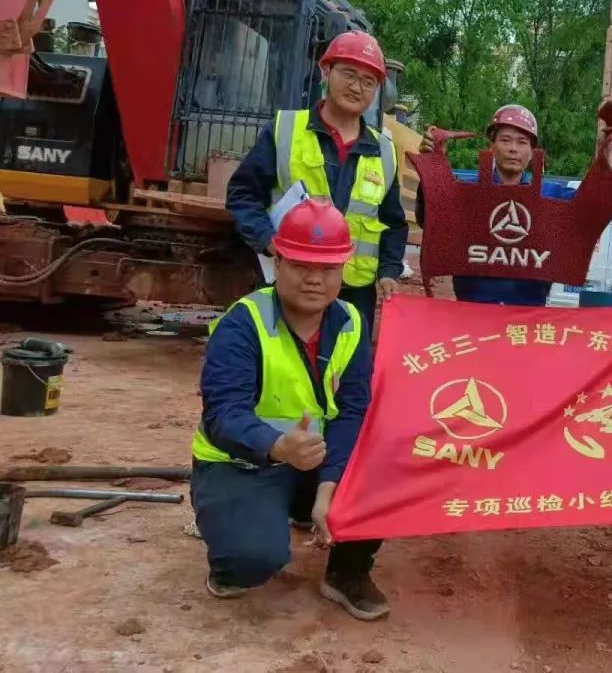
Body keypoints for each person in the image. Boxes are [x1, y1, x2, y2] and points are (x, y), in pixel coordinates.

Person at [191, 199, 390, 620]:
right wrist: (278, 445)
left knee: (385, 465)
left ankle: (346, 572)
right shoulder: (243, 324)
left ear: (343, 270)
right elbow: (223, 414)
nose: (315, 280)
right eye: (301, 265)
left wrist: (329, 489)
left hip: (312, 461)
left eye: (328, 269)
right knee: (252, 559)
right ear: (278, 263)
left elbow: (352, 409)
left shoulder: (351, 323)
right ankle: (230, 554)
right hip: (242, 463)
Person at [226, 30, 408, 329]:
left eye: (368, 81)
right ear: (326, 71)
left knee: (348, 357)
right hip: (291, 283)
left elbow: (393, 223)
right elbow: (243, 195)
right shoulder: (285, 130)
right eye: (348, 74)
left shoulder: (384, 151)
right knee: (283, 355)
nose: (356, 87)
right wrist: (268, 241)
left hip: (353, 294)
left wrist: (389, 271)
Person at [415, 104, 575, 306]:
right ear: (492, 146)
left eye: (522, 142)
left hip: (528, 314)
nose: (513, 148)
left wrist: (606, 153)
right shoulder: (466, 192)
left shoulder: (551, 195)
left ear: (532, 152)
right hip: (472, 310)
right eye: (505, 140)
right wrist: (432, 167)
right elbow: (430, 219)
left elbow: (592, 208)